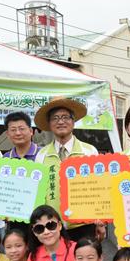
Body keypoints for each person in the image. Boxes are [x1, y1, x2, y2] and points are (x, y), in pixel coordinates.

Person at [33, 98, 103, 242]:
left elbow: (99, 189)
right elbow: (38, 192)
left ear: (73, 121)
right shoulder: (41, 155)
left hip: (84, 224)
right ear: (49, 124)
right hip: (52, 227)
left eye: (65, 117)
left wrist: (101, 220)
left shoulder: (89, 151)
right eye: (55, 118)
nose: (60, 122)